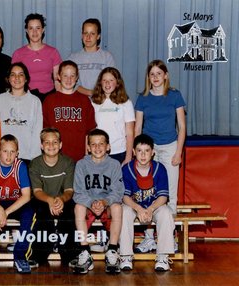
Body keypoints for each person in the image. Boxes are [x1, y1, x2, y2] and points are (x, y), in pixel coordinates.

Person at [134, 59, 186, 253]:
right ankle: (149, 238)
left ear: (165, 75)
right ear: (148, 77)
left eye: (158, 73)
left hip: (170, 147)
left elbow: (182, 126)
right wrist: (138, 153)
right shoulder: (143, 98)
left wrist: (178, 152)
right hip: (148, 150)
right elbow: (138, 127)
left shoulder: (174, 95)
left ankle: (169, 238)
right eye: (152, 74)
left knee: (169, 195)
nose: (155, 77)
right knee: (147, 194)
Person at [0, 134, 35, 274]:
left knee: (30, 214)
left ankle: (20, 257)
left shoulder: (20, 166)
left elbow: (27, 196)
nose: (8, 156)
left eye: (12, 152)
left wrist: (6, 212)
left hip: (14, 203)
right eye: (5, 151)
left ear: (17, 153)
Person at [120, 134, 175, 271]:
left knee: (166, 212)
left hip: (154, 205)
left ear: (153, 152)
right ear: (133, 152)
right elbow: (125, 197)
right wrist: (138, 209)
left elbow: (163, 197)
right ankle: (126, 255)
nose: (143, 155)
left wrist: (150, 209)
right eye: (139, 151)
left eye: (146, 151)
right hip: (134, 206)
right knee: (124, 211)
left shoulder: (160, 168)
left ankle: (162, 255)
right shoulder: (126, 169)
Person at [72, 128, 124, 274]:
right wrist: (90, 203)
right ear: (88, 147)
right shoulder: (81, 164)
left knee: (118, 208)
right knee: (78, 207)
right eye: (93, 144)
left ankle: (112, 251)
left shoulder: (114, 164)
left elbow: (118, 191)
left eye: (101, 144)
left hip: (106, 205)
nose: (97, 148)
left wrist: (104, 202)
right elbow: (78, 192)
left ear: (108, 146)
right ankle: (84, 252)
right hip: (89, 205)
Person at [29, 128, 78, 266]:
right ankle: (39, 254)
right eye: (47, 142)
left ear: (60, 145)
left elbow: (69, 190)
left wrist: (61, 200)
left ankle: (70, 254)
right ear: (41, 146)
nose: (51, 146)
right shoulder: (35, 164)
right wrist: (50, 201)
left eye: (55, 142)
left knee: (69, 212)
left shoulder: (68, 162)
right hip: (43, 200)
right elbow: (37, 191)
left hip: (63, 199)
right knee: (42, 213)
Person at [43, 60, 96, 162]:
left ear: (77, 78)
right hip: (56, 158)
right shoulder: (49, 100)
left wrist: (87, 156)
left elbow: (89, 132)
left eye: (72, 76)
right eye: (65, 75)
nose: (69, 79)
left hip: (79, 158)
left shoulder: (84, 101)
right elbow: (45, 131)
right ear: (58, 76)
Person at [0, 62, 42, 162]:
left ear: (26, 79)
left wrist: (34, 158)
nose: (17, 78)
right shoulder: (0, 99)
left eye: (21, 74)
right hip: (4, 156)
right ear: (8, 79)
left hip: (27, 156)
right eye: (13, 75)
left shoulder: (35, 101)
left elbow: (37, 131)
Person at [12, 13, 62, 102]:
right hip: (26, 98)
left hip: (49, 97)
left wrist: (58, 99)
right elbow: (14, 81)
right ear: (27, 31)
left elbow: (57, 79)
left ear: (43, 30)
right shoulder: (18, 54)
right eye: (31, 28)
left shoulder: (53, 52)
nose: (34, 32)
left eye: (38, 28)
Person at [91, 67, 135, 165]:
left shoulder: (126, 103)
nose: (107, 83)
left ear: (117, 83)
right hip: (99, 152)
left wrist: (128, 156)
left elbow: (130, 132)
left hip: (120, 152)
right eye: (104, 80)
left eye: (111, 80)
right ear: (100, 83)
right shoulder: (93, 102)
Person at [68, 18, 116, 97]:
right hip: (79, 101)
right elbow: (71, 83)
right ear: (82, 35)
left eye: (92, 33)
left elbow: (112, 81)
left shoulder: (107, 57)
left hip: (101, 100)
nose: (88, 37)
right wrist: (90, 92)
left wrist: (97, 94)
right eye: (85, 33)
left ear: (98, 36)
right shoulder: (73, 58)